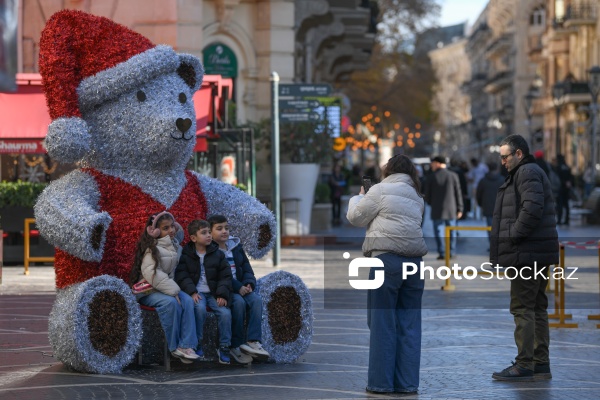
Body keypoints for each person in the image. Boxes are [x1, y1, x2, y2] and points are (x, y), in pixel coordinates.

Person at [346, 154, 428, 395]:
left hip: (386, 261)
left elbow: (355, 217)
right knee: (409, 325)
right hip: (414, 264)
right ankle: (407, 384)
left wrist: (358, 198)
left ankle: (381, 383)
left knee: (381, 322)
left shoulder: (379, 190)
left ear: (388, 170)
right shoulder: (417, 196)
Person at [491, 134, 558, 381]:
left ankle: (525, 364)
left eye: (505, 156)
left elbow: (532, 208)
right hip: (535, 253)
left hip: (527, 255)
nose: (502, 162)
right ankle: (540, 363)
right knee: (537, 307)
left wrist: (513, 235)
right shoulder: (528, 171)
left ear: (519, 153)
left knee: (522, 308)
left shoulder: (526, 172)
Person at [130, 211, 199, 364]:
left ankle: (186, 345)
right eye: (165, 228)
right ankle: (174, 347)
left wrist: (177, 291)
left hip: (168, 289)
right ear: (155, 231)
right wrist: (174, 292)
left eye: (172, 227)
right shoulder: (152, 249)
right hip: (149, 291)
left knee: (187, 301)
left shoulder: (176, 247)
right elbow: (153, 274)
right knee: (171, 304)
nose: (171, 231)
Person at [208, 214, 270, 364]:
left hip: (242, 287)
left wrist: (249, 283)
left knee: (255, 300)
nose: (224, 231)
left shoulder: (236, 247)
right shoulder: (210, 251)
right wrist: (238, 287)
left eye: (227, 228)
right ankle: (235, 345)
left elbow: (247, 268)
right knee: (239, 303)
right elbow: (217, 276)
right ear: (210, 232)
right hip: (225, 290)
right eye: (219, 228)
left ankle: (253, 341)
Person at [175, 219, 233, 364]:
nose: (208, 235)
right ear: (194, 238)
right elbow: (182, 275)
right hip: (197, 293)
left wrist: (221, 294)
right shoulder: (187, 254)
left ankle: (224, 346)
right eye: (204, 233)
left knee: (225, 313)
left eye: (209, 232)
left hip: (214, 293)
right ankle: (198, 343)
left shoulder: (217, 253)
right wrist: (192, 292)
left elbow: (225, 275)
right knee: (199, 310)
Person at [423, 156, 463, 260]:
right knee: (452, 231)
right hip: (451, 209)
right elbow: (458, 193)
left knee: (439, 231)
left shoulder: (431, 177)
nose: (431, 165)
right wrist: (460, 208)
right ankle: (452, 251)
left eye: (433, 163)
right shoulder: (453, 175)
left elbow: (427, 195)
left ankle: (442, 252)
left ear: (437, 163)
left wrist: (431, 202)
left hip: (437, 209)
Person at [555, 154, 574, 225]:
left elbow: (558, 178)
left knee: (560, 204)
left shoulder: (558, 167)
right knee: (566, 204)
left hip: (561, 188)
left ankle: (559, 220)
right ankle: (567, 219)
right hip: (567, 188)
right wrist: (569, 183)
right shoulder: (567, 167)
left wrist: (564, 183)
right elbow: (571, 176)